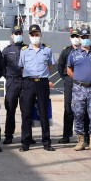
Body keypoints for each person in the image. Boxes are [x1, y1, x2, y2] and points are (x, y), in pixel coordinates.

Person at [18, 24, 55, 152]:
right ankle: (25, 141)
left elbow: (49, 66)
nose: (35, 37)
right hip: (28, 83)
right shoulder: (24, 51)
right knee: (26, 113)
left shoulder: (47, 50)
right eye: (32, 35)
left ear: (41, 35)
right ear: (29, 36)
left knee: (44, 113)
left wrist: (42, 76)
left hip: (42, 83)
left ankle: (46, 142)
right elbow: (22, 66)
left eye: (37, 34)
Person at [66, 28, 91, 151]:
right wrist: (78, 79)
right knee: (78, 114)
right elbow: (69, 70)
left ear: (90, 37)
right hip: (79, 89)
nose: (85, 39)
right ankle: (80, 141)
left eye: (87, 37)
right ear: (80, 39)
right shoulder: (73, 53)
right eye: (83, 37)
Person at [57, 30, 90, 144]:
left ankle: (86, 135)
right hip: (70, 81)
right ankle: (66, 135)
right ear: (70, 38)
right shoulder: (66, 51)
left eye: (77, 36)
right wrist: (66, 78)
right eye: (73, 36)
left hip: (83, 81)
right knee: (68, 108)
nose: (75, 38)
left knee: (84, 109)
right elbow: (60, 67)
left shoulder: (85, 51)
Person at [1, 25, 24, 145]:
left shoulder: (27, 48)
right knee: (10, 110)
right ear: (12, 36)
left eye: (19, 33)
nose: (18, 35)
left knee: (26, 111)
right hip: (12, 82)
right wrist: (9, 78)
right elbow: (2, 67)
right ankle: (8, 135)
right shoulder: (7, 50)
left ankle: (27, 136)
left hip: (25, 82)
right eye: (16, 34)